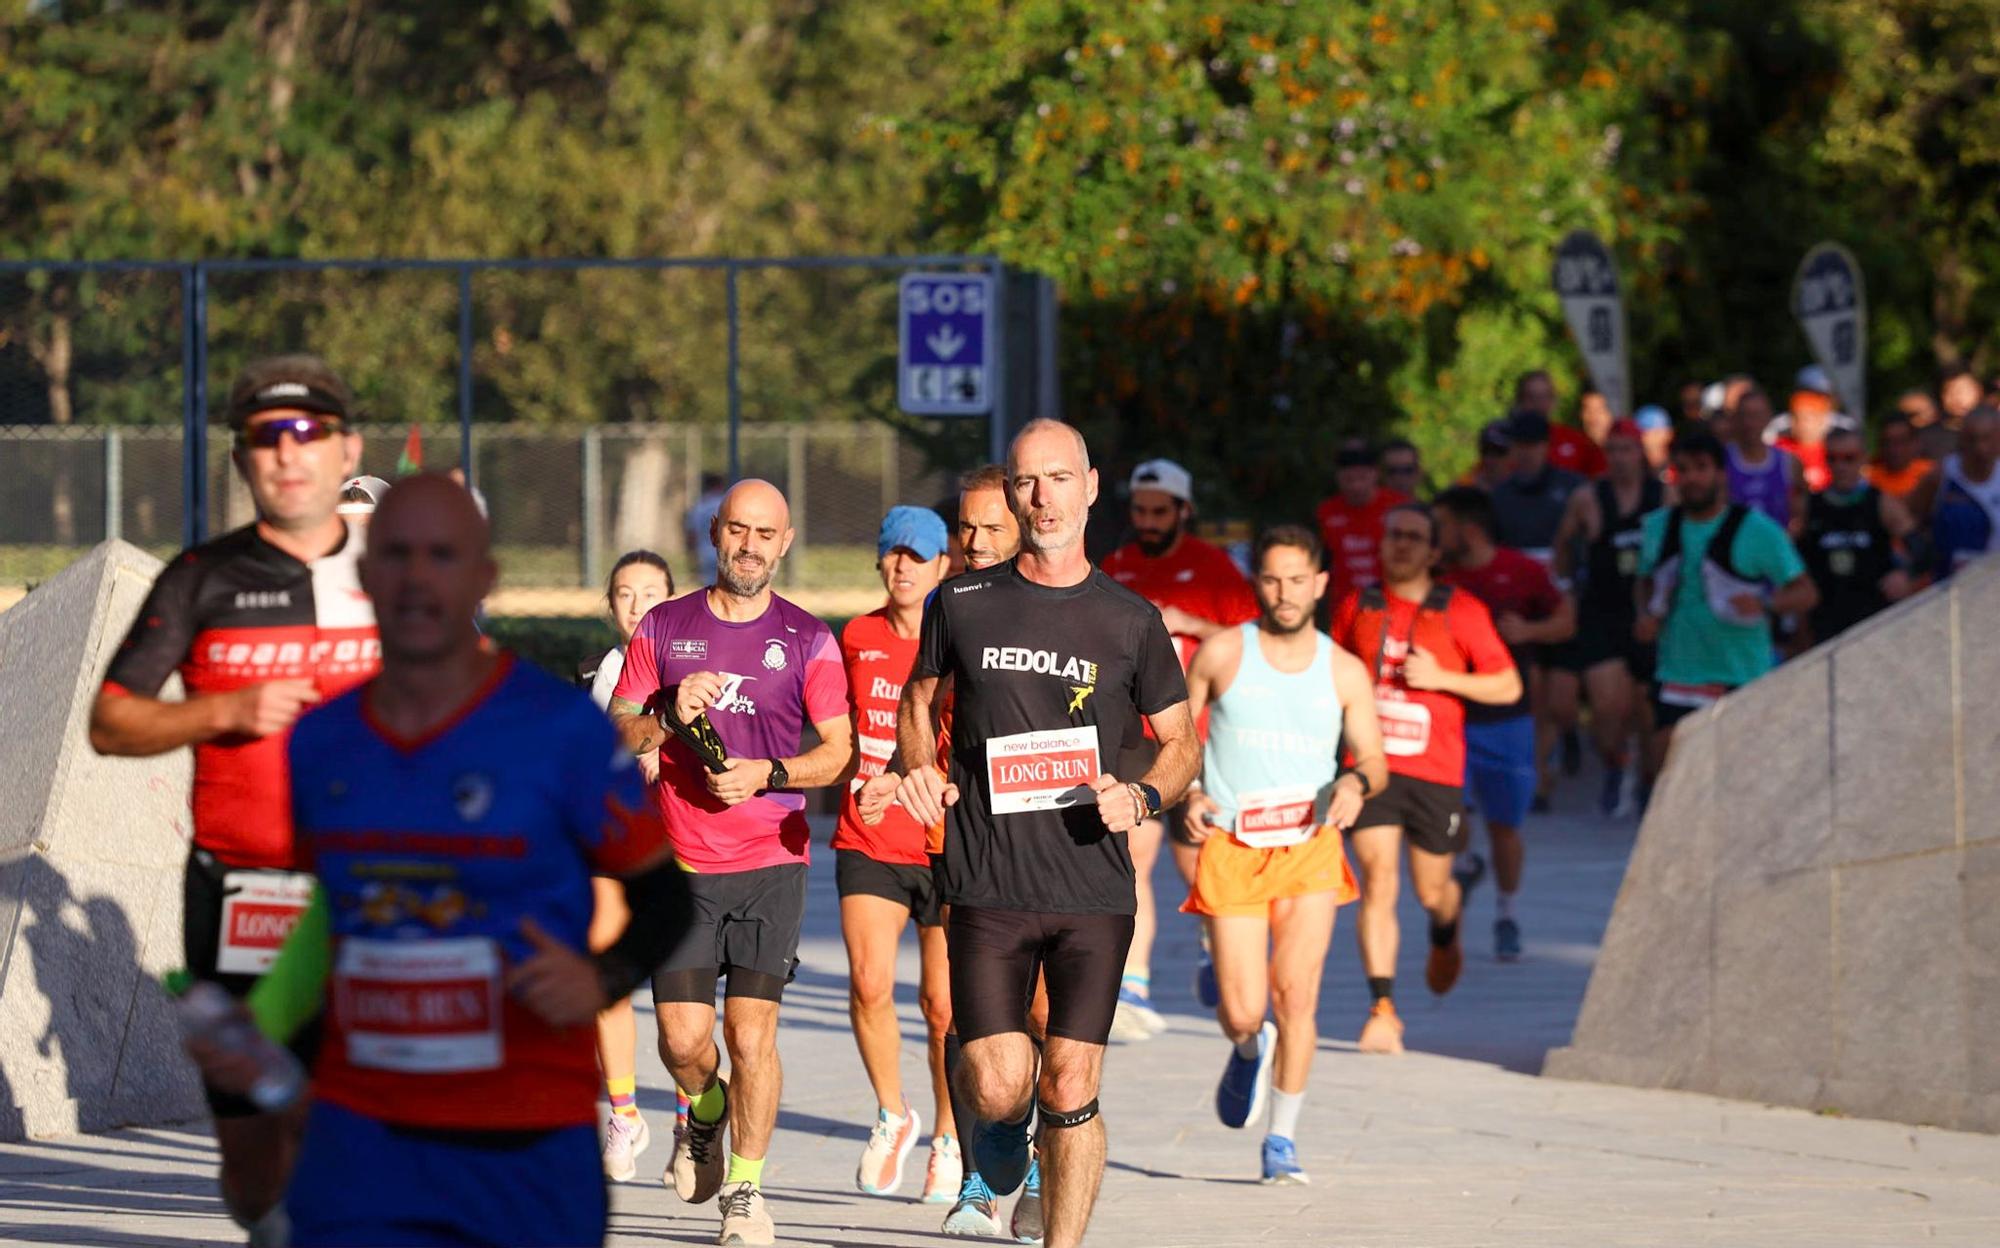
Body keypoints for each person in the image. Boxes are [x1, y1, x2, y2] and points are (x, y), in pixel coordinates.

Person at [188, 474, 693, 1248]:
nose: (418, 580)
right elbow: (326, 920)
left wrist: (603, 976)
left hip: (524, 1145)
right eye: (394, 556)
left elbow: (663, 897)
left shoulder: (561, 729)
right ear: (362, 577)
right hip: (366, 1141)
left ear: (483, 578)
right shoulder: (322, 741)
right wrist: (256, 1032)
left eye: (444, 557)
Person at [881, 418, 1198, 1248]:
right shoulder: (964, 601)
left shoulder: (1130, 619)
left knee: (1071, 1077)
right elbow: (919, 698)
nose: (1042, 496)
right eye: (1026, 481)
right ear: (1012, 494)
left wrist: (1143, 797)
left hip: (1093, 888)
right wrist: (918, 765)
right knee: (996, 1078)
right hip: (986, 877)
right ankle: (1001, 1145)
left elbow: (1182, 742)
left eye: (1059, 478)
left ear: (1092, 487)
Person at [88, 354, 377, 1245]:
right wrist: (225, 709)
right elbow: (111, 720)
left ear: (346, 451)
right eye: (265, 438)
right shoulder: (202, 578)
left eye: (310, 434)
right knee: (253, 1157)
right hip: (239, 895)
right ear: (245, 460)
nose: (289, 455)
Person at [607, 478, 856, 1247]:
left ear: (785, 543)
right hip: (678, 866)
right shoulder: (664, 627)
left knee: (752, 1038)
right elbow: (617, 735)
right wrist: (665, 713)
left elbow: (839, 752)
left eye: (765, 534)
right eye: (736, 531)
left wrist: (767, 775)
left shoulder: (810, 639)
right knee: (684, 1045)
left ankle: (745, 1192)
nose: (749, 546)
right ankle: (704, 1112)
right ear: (715, 535)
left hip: (770, 863)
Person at [1179, 525, 1387, 1185]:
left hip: (1310, 847)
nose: (1285, 592)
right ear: (1257, 584)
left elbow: (1375, 759)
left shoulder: (1343, 669)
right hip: (1233, 846)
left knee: (1296, 993)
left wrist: (1354, 782)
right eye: (1272, 579)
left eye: (1298, 579)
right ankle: (1247, 1047)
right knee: (1245, 1008)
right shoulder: (1219, 654)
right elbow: (1176, 736)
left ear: (1321, 584)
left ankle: (1282, 1142)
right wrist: (1184, 791)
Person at [1330, 504, 1521, 1053]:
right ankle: (1383, 1008)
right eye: (1394, 536)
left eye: (1414, 538)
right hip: (1371, 769)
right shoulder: (1357, 605)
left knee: (1431, 889)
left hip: (1435, 772)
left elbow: (1507, 686)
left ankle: (1448, 919)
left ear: (1435, 553)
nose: (1402, 546)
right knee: (1379, 880)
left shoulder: (1460, 610)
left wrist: (1442, 677)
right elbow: (1329, 674)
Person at [1100, 458, 1259, 1040]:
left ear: (1183, 511)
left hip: (1202, 737)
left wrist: (1189, 620)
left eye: (1159, 512)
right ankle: (1134, 985)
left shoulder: (1215, 570)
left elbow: (1253, 640)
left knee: (1200, 863)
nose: (1147, 521)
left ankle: (1213, 949)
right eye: (1140, 511)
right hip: (1135, 738)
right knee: (1134, 857)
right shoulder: (1115, 567)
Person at [835, 506, 959, 1201]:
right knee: (868, 982)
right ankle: (892, 1112)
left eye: (919, 556)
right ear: (881, 562)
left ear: (944, 566)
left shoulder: (960, 639)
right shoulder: (856, 635)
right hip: (870, 834)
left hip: (941, 842)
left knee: (941, 1006)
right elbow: (834, 728)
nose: (904, 567)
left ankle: (947, 1133)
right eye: (894, 555)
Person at [1432, 487, 1573, 964]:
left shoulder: (1522, 571)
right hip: (1451, 718)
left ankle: (1507, 913)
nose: (1436, 535)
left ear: (1468, 528)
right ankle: (1466, 863)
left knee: (1504, 826)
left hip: (1508, 722)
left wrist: (1530, 632)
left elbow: (1566, 621)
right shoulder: (1439, 579)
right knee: (1450, 810)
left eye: (1442, 524)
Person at [1635, 428, 1818, 779]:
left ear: (1720, 474)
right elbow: (1644, 582)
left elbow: (1805, 592)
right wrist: (1647, 613)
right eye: (1683, 469)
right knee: (1666, 785)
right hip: (1677, 676)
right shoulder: (1658, 528)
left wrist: (1765, 604)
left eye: (1701, 468)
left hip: (1739, 676)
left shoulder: (1757, 529)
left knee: (1738, 785)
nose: (1691, 478)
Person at [579, 550, 678, 1182]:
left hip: (688, 844)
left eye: (650, 592)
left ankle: (697, 1114)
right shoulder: (595, 672)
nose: (637, 604)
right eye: (623, 593)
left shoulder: (698, 660)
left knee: (681, 1011)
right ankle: (623, 1111)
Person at [1549, 420, 1667, 814]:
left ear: (1641, 453)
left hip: (1650, 614)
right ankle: (1614, 763)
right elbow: (1562, 545)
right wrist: (1565, 585)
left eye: (1627, 450)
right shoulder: (1589, 498)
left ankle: (1648, 785)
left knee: (1650, 714)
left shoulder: (1662, 495)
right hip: (1603, 612)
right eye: (1612, 450)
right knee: (1607, 709)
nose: (1619, 459)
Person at [1487, 408, 1584, 806]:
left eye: (1533, 446)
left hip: (1562, 600)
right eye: (1519, 446)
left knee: (1562, 700)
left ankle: (1570, 731)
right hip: (1522, 606)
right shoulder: (1501, 496)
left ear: (1547, 447)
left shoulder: (1573, 489)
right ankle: (1541, 780)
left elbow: (1583, 544)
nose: (1526, 454)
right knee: (1535, 694)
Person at [1796, 428, 1915, 647]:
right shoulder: (1809, 506)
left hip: (1873, 621)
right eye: (1832, 458)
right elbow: (1790, 559)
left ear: (1863, 458)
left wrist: (1905, 573)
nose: (1840, 466)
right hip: (1824, 624)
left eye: (1849, 458)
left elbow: (1922, 548)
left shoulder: (1881, 503)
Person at [1315, 440, 1412, 610]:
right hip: (1345, 606)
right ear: (1338, 478)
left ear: (1375, 474)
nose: (1356, 486)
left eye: (1362, 478)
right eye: (1349, 479)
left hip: (1393, 603)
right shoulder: (1326, 512)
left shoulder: (1399, 507)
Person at [1909, 407, 2000, 580]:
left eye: (1987, 438)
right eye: (1973, 439)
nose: (1980, 448)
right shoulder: (1942, 475)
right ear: (1962, 439)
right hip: (1949, 585)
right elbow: (1913, 517)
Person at [1724, 388, 1807, 535]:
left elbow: (1801, 513)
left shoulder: (1789, 462)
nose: (1750, 423)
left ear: (1768, 417)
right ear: (1735, 418)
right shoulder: (1721, 461)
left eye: (1756, 415)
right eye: (1744, 415)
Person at [1868, 412, 1936, 504]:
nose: (1894, 449)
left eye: (1901, 441)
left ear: (1915, 443)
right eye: (1887, 442)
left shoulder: (1931, 474)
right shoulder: (1868, 477)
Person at [1923, 365, 1985, 461]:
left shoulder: (1993, 434)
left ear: (1979, 391)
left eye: (1963, 391)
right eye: (1949, 391)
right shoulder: (1925, 438)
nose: (1956, 398)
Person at [686, 471, 728, 584]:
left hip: (704, 552)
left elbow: (692, 534)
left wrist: (692, 555)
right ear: (720, 485)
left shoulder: (699, 506)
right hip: (725, 550)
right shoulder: (726, 503)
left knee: (709, 587)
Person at [1464, 420, 1514, 491]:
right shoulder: (1465, 487)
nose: (1491, 459)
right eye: (1486, 450)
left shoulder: (1526, 490)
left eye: (1499, 451)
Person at [1635, 405, 1675, 476]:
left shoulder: (1681, 466)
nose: (1648, 436)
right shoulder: (1633, 471)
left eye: (1657, 432)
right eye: (1644, 432)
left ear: (1669, 433)